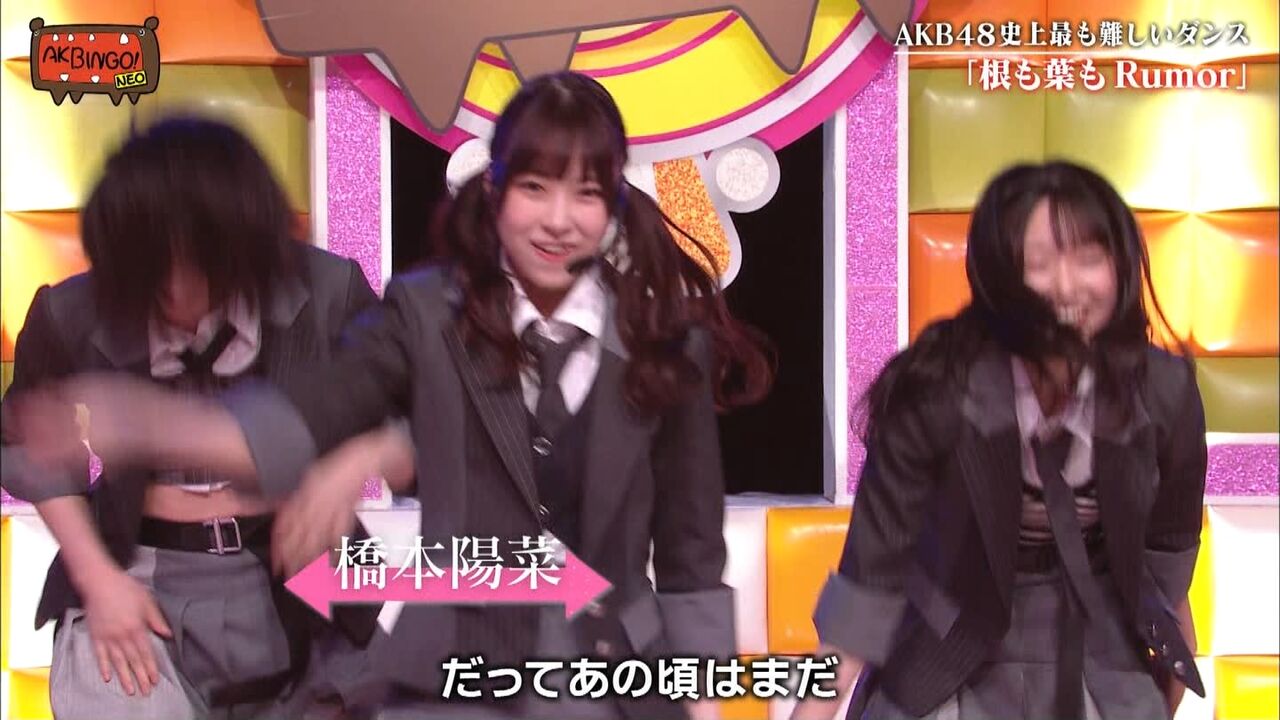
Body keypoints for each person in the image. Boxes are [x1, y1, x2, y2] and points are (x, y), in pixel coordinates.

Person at [11, 72, 775, 720]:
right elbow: (303, 419)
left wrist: (699, 696)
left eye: (585, 193)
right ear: (495, 193)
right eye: (534, 187)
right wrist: (146, 430)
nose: (556, 219)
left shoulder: (667, 342)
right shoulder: (427, 312)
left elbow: (691, 554)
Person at [0, 116, 405, 719]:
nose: (169, 288)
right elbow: (24, 446)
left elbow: (416, 409)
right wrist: (96, 577)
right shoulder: (73, 311)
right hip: (136, 569)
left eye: (192, 262)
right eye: (143, 266)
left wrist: (345, 470)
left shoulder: (328, 290)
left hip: (302, 567)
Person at [791, 161, 1207, 720]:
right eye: (1038, 263)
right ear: (997, 277)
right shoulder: (932, 388)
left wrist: (1173, 658)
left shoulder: (1164, 390)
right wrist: (813, 710)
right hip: (949, 639)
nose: (1066, 286)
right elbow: (869, 578)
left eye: (1088, 258)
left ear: (1121, 266)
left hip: (1098, 638)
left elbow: (1167, 551)